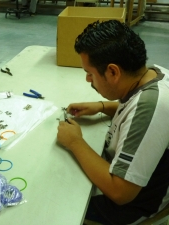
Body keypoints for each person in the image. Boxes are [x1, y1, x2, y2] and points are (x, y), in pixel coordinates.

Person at [57, 20, 169, 224]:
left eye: (90, 74)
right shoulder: (153, 74)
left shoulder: (151, 108)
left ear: (113, 72)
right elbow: (135, 112)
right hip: (139, 182)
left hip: (134, 204)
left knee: (57, 200)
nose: (88, 81)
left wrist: (75, 142)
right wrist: (101, 106)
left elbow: (121, 193)